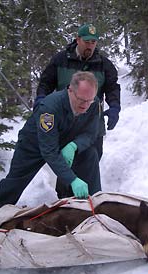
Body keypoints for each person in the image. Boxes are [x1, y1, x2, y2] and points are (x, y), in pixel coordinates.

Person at [0, 71, 101, 212]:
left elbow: (91, 133)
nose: (86, 105)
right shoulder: (49, 108)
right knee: (14, 183)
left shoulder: (93, 103)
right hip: (33, 145)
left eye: (90, 101)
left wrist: (74, 145)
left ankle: (93, 208)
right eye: (82, 100)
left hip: (66, 141)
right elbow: (49, 151)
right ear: (70, 90)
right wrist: (72, 179)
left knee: (90, 155)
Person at [34, 23, 121, 199]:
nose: (90, 45)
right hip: (65, 122)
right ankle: (66, 196)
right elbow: (46, 82)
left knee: (92, 157)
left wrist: (114, 107)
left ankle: (90, 200)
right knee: (66, 158)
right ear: (78, 39)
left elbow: (112, 88)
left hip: (92, 124)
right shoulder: (60, 60)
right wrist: (41, 99)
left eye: (94, 42)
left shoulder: (104, 65)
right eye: (87, 41)